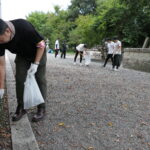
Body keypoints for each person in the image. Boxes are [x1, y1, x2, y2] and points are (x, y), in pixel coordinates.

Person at [0, 19, 47, 122]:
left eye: (1, 40)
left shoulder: (24, 27)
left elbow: (41, 45)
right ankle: (21, 107)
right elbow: (1, 64)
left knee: (40, 78)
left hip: (38, 51)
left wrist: (35, 64)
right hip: (22, 55)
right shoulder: (0, 39)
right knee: (20, 78)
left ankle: (41, 107)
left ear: (8, 31)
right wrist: (1, 88)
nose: (0, 43)